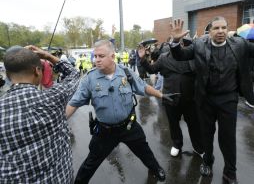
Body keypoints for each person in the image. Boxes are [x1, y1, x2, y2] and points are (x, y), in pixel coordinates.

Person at [66, 40, 177, 183]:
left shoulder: (126, 72)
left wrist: (161, 95)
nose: (96, 60)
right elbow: (74, 103)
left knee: (144, 151)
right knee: (91, 163)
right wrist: (59, 122)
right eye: (95, 56)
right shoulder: (89, 79)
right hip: (105, 132)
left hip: (129, 126)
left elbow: (143, 87)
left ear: (112, 56)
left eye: (101, 56)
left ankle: (156, 169)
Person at [169, 17, 254, 184]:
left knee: (228, 137)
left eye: (223, 27)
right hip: (205, 99)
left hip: (228, 99)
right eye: (216, 28)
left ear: (227, 30)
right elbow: (181, 55)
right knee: (206, 135)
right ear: (209, 32)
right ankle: (207, 161)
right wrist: (176, 41)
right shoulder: (200, 45)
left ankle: (230, 171)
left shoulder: (240, 45)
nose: (220, 31)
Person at [0, 45, 79, 183]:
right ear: (37, 71)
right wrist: (47, 56)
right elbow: (74, 74)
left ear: (7, 75)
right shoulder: (53, 97)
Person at [138, 40, 204, 158]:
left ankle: (198, 146)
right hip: (170, 98)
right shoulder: (164, 58)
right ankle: (177, 144)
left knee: (194, 124)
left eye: (182, 45)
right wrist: (143, 58)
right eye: (176, 44)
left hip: (190, 99)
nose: (179, 47)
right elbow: (152, 70)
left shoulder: (192, 57)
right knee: (174, 124)